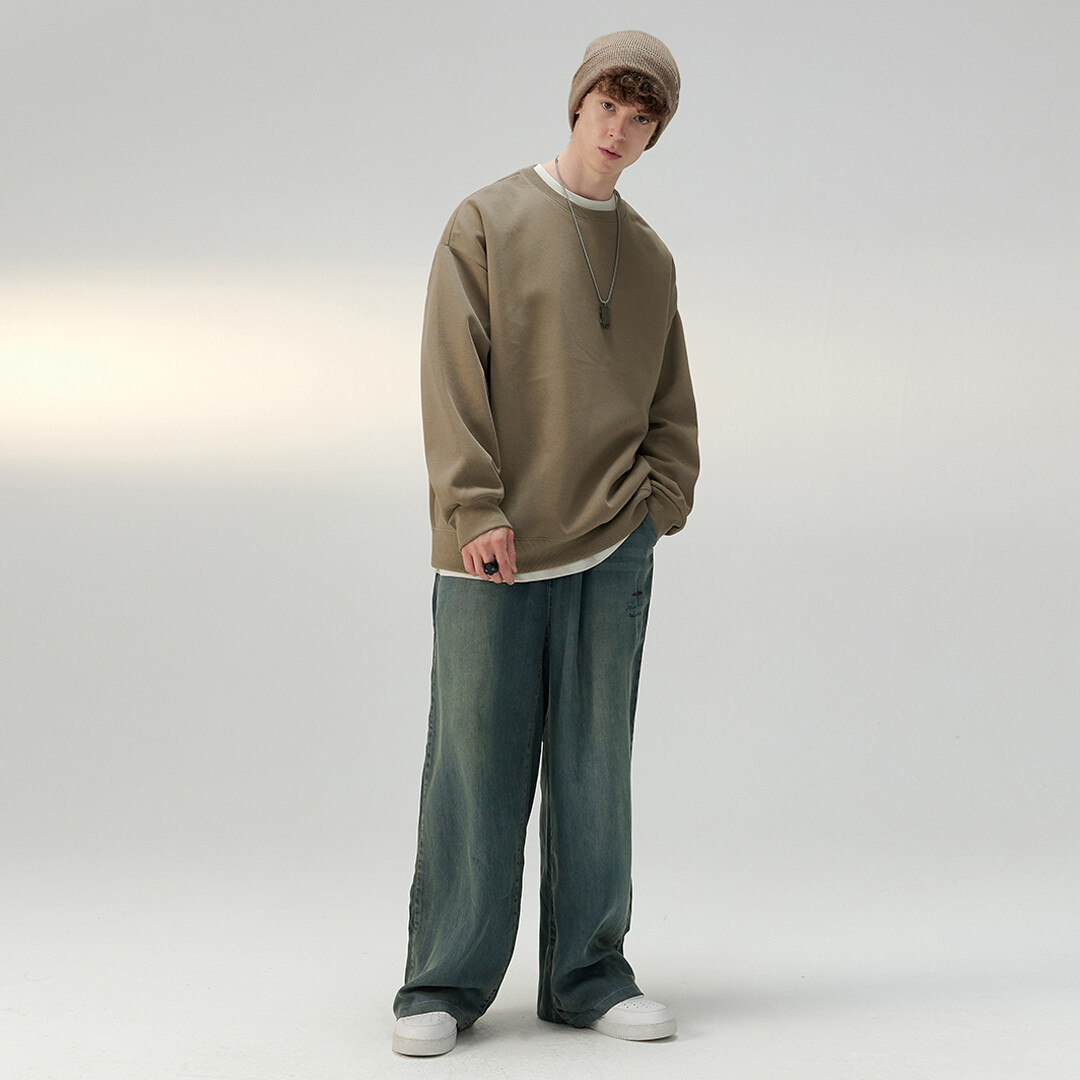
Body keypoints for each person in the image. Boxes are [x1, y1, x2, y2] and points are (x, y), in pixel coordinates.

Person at [391, 29, 699, 1057]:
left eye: (641, 117)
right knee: (474, 765)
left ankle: (589, 975)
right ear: (578, 105)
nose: (619, 129)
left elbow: (671, 401)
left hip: (614, 544)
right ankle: (443, 982)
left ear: (654, 135)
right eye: (608, 105)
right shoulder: (486, 221)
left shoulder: (650, 258)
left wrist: (658, 505)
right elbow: (451, 370)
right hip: (496, 545)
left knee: (595, 769)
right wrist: (474, 508)